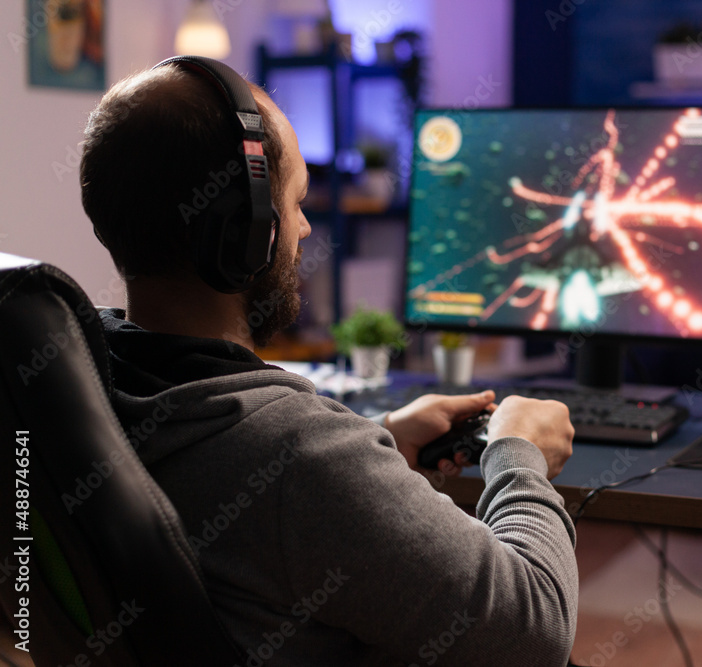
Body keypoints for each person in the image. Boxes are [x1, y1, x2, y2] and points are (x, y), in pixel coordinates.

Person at [79, 59, 578, 666]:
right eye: (295, 203)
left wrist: (376, 444)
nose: (306, 227)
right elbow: (534, 631)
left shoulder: (70, 393)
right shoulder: (303, 458)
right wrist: (519, 456)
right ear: (250, 229)